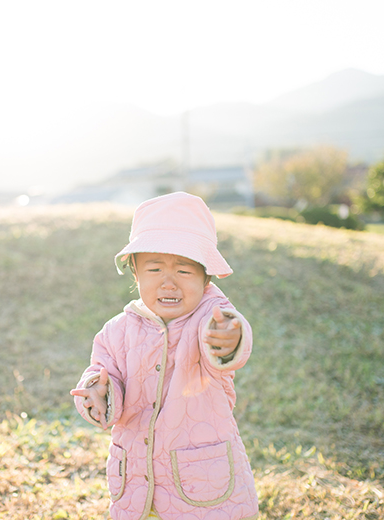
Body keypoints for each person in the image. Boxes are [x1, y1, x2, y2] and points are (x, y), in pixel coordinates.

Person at [70, 192, 259, 520]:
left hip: (201, 489)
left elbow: (230, 342)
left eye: (184, 271)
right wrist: (98, 394)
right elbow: (102, 373)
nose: (169, 282)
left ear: (206, 276)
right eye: (155, 268)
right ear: (135, 273)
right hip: (137, 484)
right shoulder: (116, 331)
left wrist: (229, 337)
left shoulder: (210, 318)